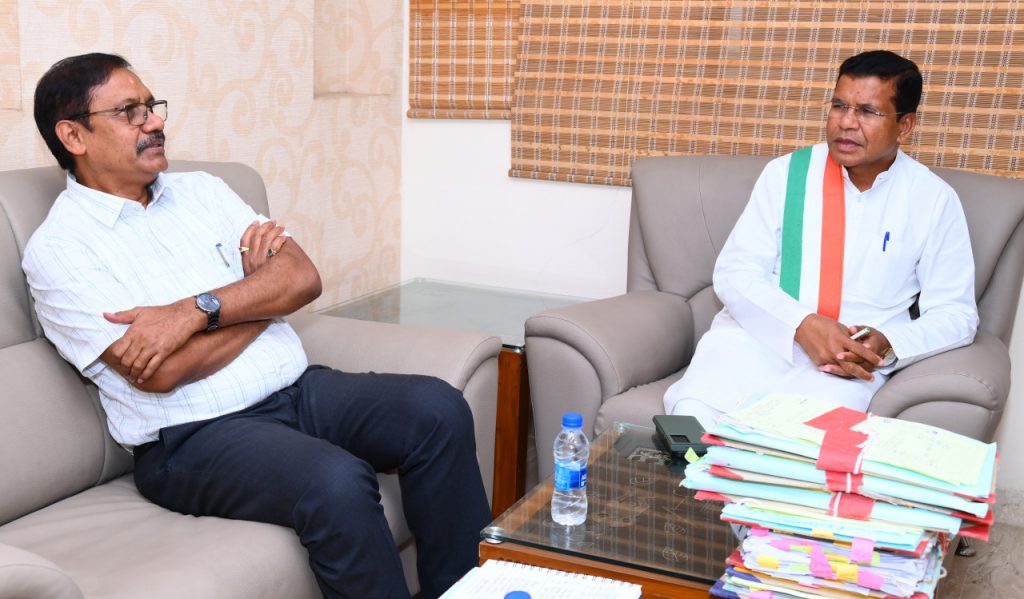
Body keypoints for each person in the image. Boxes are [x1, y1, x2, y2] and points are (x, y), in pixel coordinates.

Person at [25, 53, 491, 599]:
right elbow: (162, 371)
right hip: (194, 440)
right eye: (131, 112)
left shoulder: (203, 191)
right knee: (336, 480)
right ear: (73, 136)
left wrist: (195, 311)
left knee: (436, 409)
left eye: (152, 106)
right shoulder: (61, 250)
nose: (155, 122)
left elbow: (302, 277)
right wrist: (258, 297)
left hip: (296, 392)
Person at [664, 50, 979, 427]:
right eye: (839, 106)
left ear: (905, 126)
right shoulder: (787, 174)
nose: (846, 123)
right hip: (755, 342)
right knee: (690, 426)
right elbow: (736, 273)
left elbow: (956, 314)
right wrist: (801, 324)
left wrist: (890, 344)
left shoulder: (932, 199)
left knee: (793, 447)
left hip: (843, 368)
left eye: (867, 111)